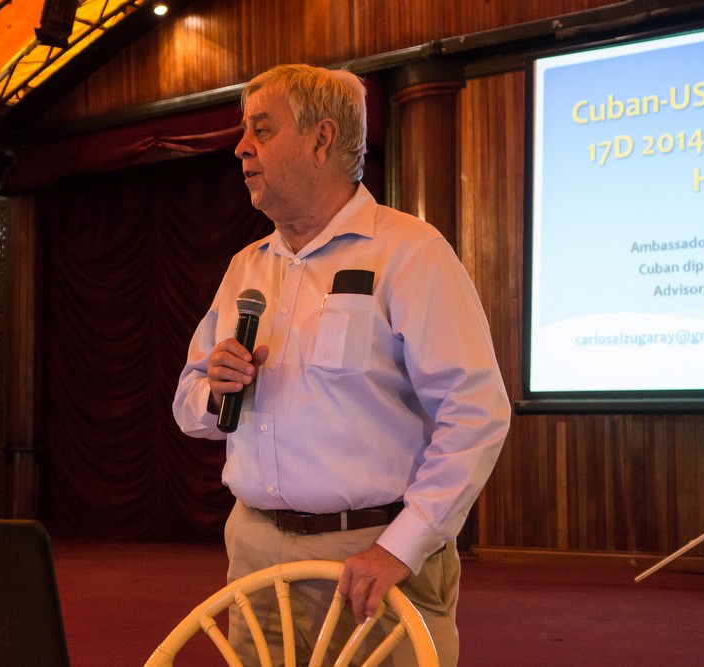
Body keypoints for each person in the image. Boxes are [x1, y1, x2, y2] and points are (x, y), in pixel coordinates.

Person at [173, 63, 511, 665]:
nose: (240, 146)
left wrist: (399, 549)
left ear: (322, 139)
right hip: (255, 554)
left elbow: (476, 416)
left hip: (371, 560)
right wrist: (212, 388)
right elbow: (191, 407)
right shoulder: (246, 267)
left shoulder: (410, 253)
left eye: (262, 128)